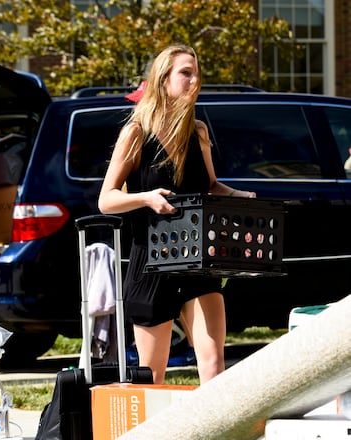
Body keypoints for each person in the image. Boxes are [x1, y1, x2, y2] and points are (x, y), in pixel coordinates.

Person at [98, 45, 256, 384]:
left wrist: (239, 196)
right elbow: (106, 200)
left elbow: (211, 185)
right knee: (152, 375)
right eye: (186, 73)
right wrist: (146, 198)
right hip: (151, 261)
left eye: (197, 74)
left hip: (197, 257)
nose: (194, 80)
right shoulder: (136, 133)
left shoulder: (197, 131)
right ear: (162, 78)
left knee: (214, 366)